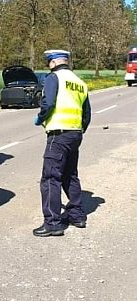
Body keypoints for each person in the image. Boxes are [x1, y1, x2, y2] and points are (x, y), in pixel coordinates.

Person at [33, 49, 91, 237]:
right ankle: (77, 215)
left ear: (53, 62)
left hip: (58, 135)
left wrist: (41, 117)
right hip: (75, 134)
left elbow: (48, 103)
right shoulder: (79, 82)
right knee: (70, 175)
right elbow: (86, 114)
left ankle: (53, 223)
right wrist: (78, 129)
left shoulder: (53, 78)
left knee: (51, 177)